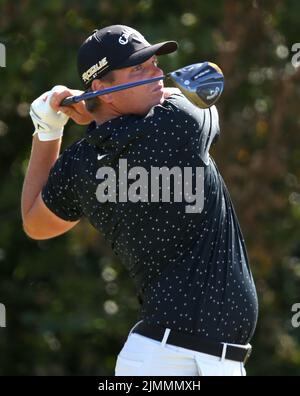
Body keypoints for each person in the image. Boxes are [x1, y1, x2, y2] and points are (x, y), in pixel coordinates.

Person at [21, 25, 258, 376]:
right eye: (138, 69)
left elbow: (34, 222)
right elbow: (204, 91)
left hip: (162, 357)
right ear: (104, 88)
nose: (157, 73)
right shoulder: (181, 123)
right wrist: (93, 108)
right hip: (172, 360)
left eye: (153, 62)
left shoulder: (81, 163)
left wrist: (48, 131)